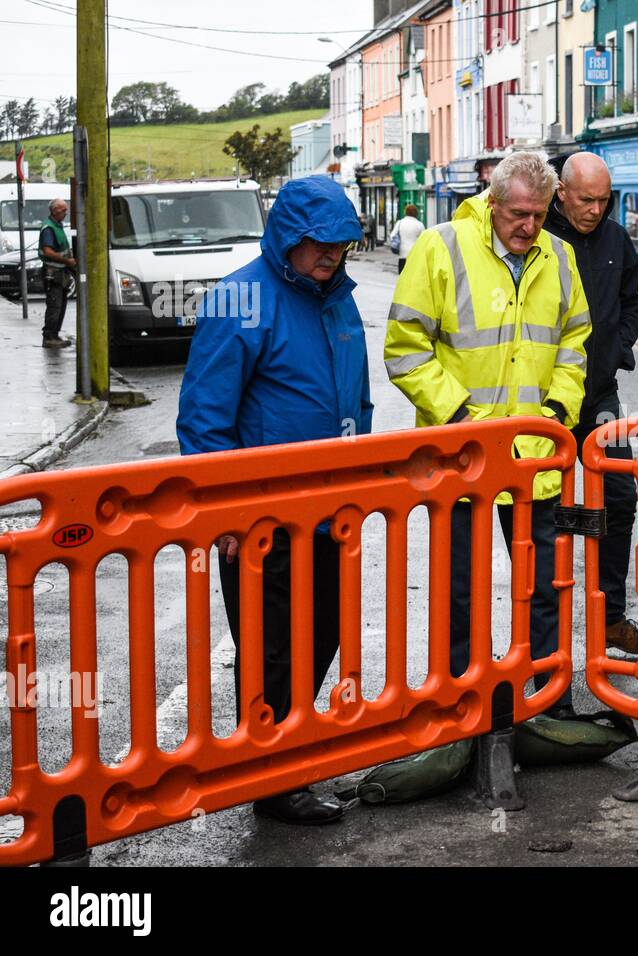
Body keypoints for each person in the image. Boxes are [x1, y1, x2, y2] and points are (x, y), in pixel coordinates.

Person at [176, 175, 369, 825]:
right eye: (320, 244)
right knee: (271, 651)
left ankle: (289, 757)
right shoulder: (238, 300)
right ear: (289, 236)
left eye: (341, 244)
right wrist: (222, 512)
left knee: (322, 635)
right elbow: (205, 417)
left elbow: (354, 398)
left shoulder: (336, 298)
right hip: (260, 523)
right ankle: (271, 778)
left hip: (329, 513)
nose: (332, 255)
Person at [384, 151, 590, 720]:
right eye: (517, 214)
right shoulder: (440, 246)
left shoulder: (560, 256)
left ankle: (548, 703)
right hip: (462, 458)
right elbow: (405, 349)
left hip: (536, 458)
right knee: (460, 592)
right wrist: (463, 421)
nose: (528, 226)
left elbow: (575, 341)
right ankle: (462, 701)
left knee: (545, 587)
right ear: (491, 204)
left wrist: (556, 411)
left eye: (540, 215)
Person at [544, 152, 638, 657]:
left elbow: (632, 299)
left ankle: (609, 617)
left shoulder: (614, 238)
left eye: (605, 200)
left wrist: (621, 347)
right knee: (545, 511)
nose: (596, 210)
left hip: (600, 395)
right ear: (561, 191)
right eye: (587, 199)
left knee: (620, 498)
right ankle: (545, 625)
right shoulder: (537, 233)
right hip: (545, 398)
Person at [38, 198, 76, 348]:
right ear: (54, 211)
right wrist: (67, 261)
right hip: (53, 273)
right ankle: (49, 337)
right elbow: (47, 251)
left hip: (61, 272)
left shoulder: (56, 226)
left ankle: (54, 335)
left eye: (66, 209)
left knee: (60, 305)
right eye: (63, 210)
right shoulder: (49, 228)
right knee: (55, 306)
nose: (66, 213)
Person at [393, 203, 425, 274]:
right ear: (416, 213)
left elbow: (393, 235)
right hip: (415, 255)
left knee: (402, 277)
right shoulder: (419, 224)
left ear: (405, 212)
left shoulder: (400, 223)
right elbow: (424, 239)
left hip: (402, 254)